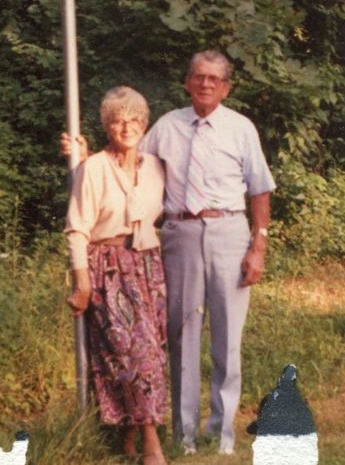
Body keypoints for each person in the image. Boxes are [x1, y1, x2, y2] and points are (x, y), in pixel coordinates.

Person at [62, 51, 276, 456]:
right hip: (180, 235)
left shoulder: (241, 128)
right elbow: (125, 156)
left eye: (214, 79)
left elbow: (260, 188)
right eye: (199, 77)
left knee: (228, 337)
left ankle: (221, 436)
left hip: (229, 232)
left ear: (226, 87)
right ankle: (185, 436)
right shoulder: (167, 126)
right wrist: (84, 158)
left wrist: (258, 246)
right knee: (179, 335)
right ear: (187, 82)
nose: (206, 84)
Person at [65, 86, 169, 465]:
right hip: (108, 267)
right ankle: (152, 445)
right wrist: (82, 282)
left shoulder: (156, 166)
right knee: (132, 354)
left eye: (134, 119)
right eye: (117, 120)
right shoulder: (93, 168)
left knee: (152, 352)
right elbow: (77, 229)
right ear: (107, 125)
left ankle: (129, 436)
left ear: (145, 123)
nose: (127, 127)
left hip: (148, 265)